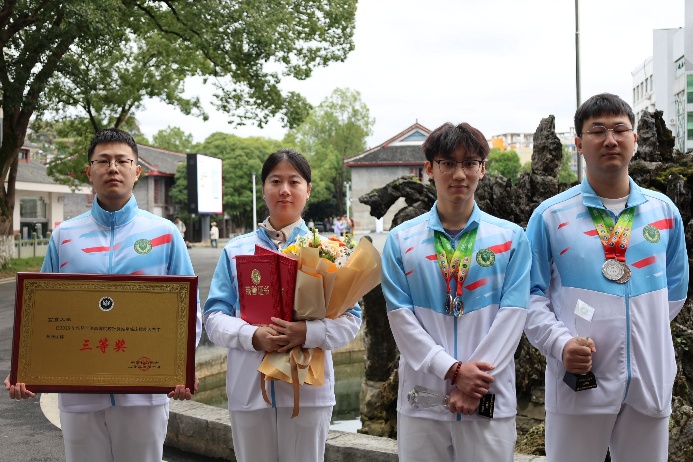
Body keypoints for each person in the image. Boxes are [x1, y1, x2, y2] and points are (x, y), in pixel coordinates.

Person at [5, 128, 202, 462]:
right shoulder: (65, 236)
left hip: (144, 391)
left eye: (122, 161)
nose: (113, 168)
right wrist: (25, 365)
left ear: (137, 171)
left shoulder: (165, 234)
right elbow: (39, 308)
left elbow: (189, 310)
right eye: (103, 161)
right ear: (89, 171)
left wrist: (181, 365)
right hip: (79, 391)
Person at [524, 93, 689, 462]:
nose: (610, 140)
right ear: (579, 143)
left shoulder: (664, 212)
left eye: (619, 130)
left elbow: (675, 293)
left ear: (635, 139)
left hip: (649, 379)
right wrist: (561, 343)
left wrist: (633, 333)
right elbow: (529, 296)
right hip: (579, 380)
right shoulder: (550, 216)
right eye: (597, 131)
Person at [381, 122, 531, 462]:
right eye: (447, 163)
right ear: (430, 169)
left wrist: (473, 381)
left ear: (483, 169)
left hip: (487, 397)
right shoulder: (402, 241)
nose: (459, 174)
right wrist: (452, 370)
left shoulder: (510, 239)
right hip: (423, 400)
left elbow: (513, 316)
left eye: (469, 163)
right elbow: (401, 320)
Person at [203, 148, 362, 462]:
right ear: (264, 189)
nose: (284, 190)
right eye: (275, 181)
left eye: (294, 181)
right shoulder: (236, 250)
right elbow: (213, 317)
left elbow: (351, 319)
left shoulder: (329, 251)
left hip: (309, 392)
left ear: (308, 190)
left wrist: (307, 333)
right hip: (250, 389)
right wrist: (252, 336)